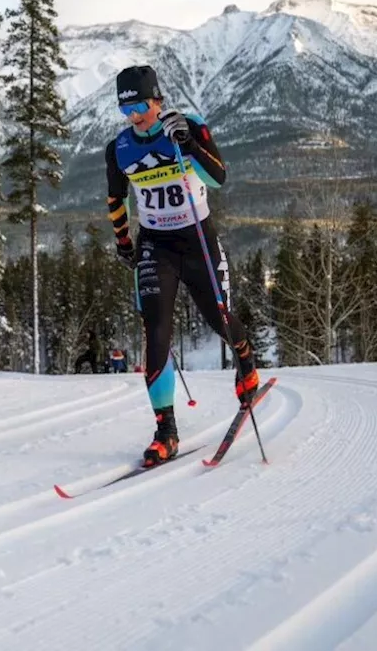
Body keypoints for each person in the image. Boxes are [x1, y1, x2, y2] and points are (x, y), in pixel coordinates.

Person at [105, 65, 261, 467]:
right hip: (156, 245)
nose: (134, 116)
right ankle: (166, 431)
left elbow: (219, 176)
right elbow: (116, 200)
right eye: (126, 110)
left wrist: (189, 143)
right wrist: (124, 243)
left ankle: (245, 359)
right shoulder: (119, 148)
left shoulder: (187, 126)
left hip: (197, 241)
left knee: (219, 319)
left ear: (157, 99)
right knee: (156, 332)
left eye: (140, 106)